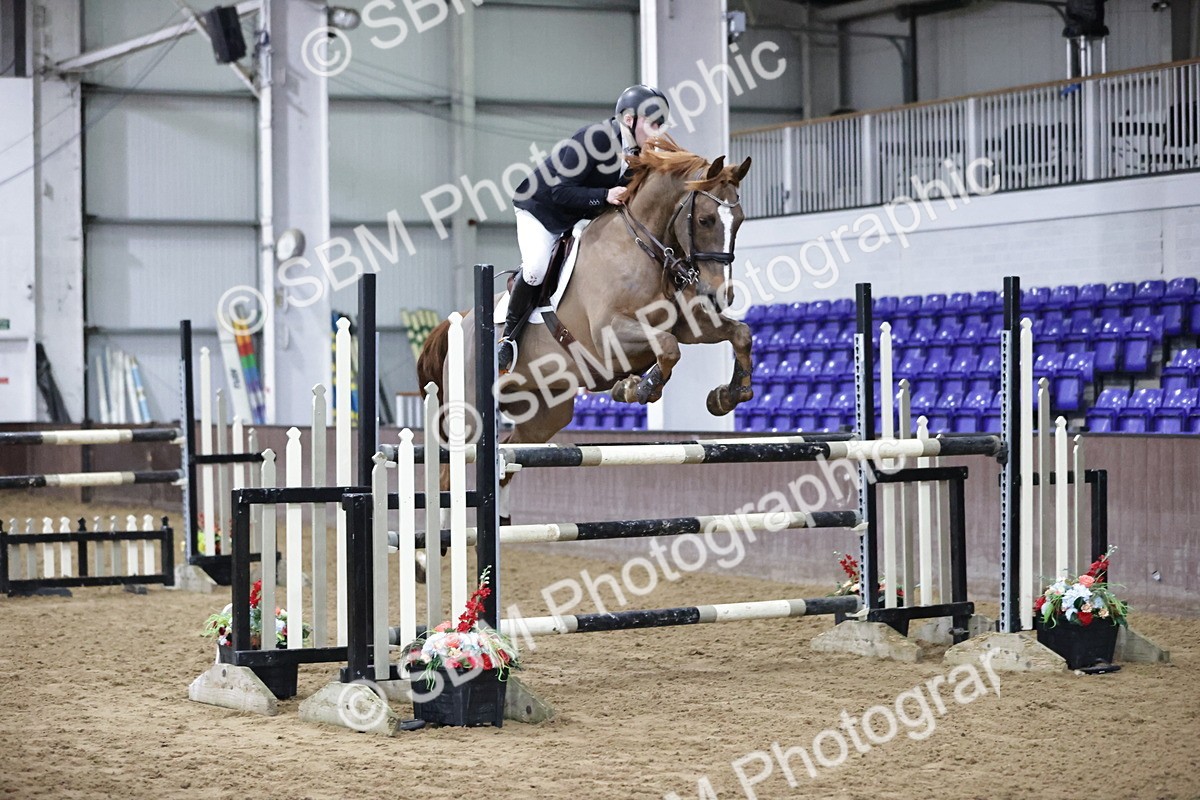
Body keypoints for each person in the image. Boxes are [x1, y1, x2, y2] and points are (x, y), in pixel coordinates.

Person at [498, 84, 670, 372]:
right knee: (536, 268)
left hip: (579, 216)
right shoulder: (595, 139)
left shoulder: (640, 153)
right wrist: (605, 195)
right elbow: (559, 191)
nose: (658, 132)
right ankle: (509, 338)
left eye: (661, 125)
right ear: (629, 120)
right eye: (653, 124)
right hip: (541, 210)